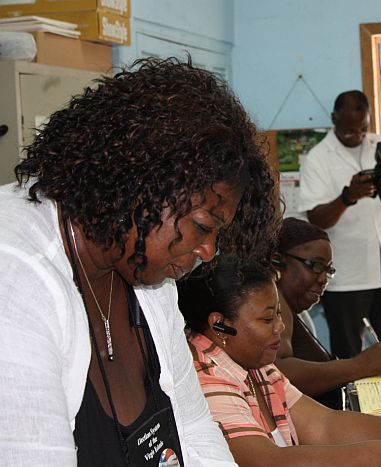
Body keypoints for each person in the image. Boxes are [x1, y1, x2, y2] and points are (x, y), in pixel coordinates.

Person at [0, 57, 278, 466]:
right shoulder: (15, 282)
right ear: (139, 185)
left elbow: (194, 428)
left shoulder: (149, 277)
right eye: (203, 226)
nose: (207, 252)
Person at [178, 259, 381, 467]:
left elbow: (325, 425)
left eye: (279, 315)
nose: (279, 328)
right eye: (267, 319)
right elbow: (268, 461)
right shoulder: (204, 376)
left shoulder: (252, 362)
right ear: (219, 325)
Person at [298, 90, 381, 362]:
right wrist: (347, 197)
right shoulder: (318, 158)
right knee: (349, 361)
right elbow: (316, 220)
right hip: (345, 281)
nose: (357, 136)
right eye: (349, 131)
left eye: (362, 129)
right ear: (334, 119)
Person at [274, 217, 381, 410]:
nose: (324, 279)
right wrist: (360, 365)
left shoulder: (297, 313)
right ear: (277, 261)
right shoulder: (275, 303)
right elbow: (277, 374)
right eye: (315, 266)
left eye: (328, 270)